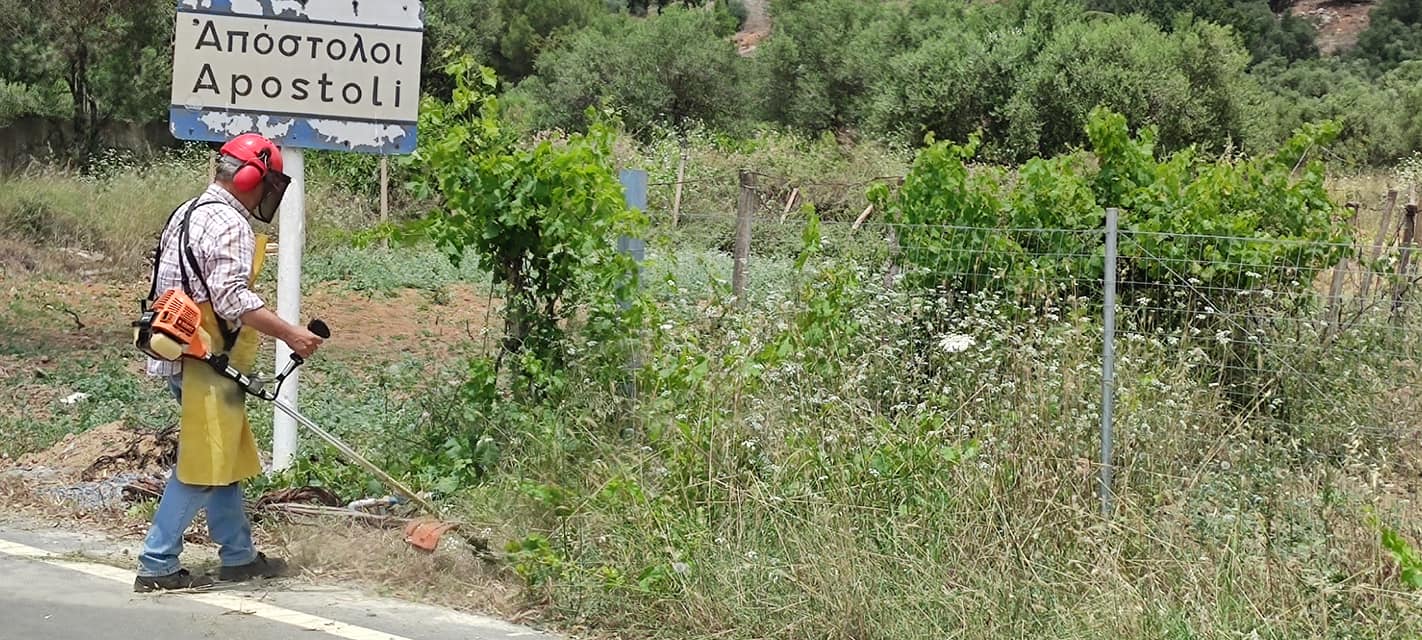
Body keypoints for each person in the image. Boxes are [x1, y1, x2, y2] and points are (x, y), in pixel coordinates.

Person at [134, 133, 324, 592]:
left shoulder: (188, 212)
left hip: (183, 352)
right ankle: (156, 563)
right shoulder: (230, 224)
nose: (266, 195)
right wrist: (292, 333)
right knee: (204, 464)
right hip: (208, 359)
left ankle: (238, 555)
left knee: (224, 456)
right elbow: (232, 300)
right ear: (251, 178)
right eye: (267, 185)